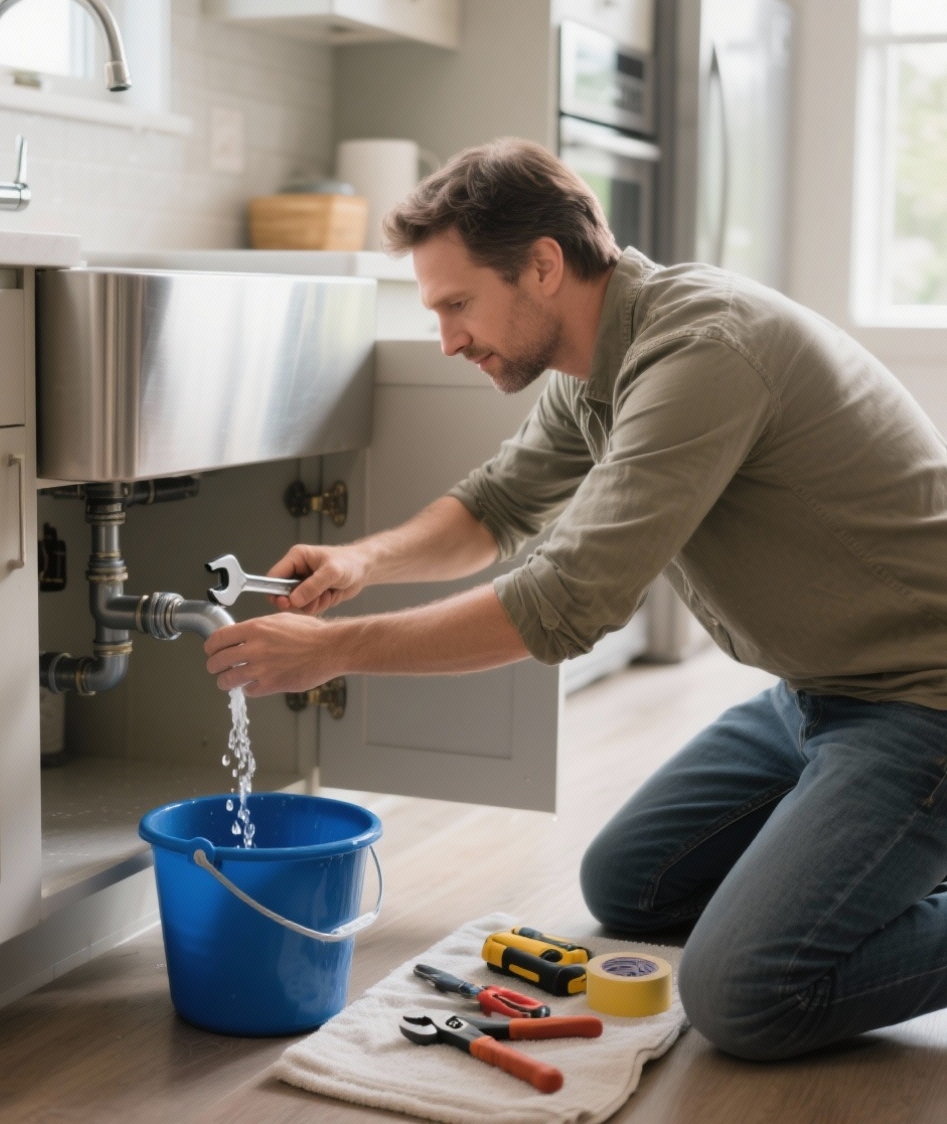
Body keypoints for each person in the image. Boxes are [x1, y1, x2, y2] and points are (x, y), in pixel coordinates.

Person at [203, 136, 947, 1061]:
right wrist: (362, 560)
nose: (449, 338)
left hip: (923, 702)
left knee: (745, 997)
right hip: (814, 694)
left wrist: (331, 652)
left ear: (543, 266)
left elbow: (563, 605)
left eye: (458, 304)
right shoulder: (601, 361)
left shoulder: (703, 350)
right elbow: (497, 505)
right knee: (634, 886)